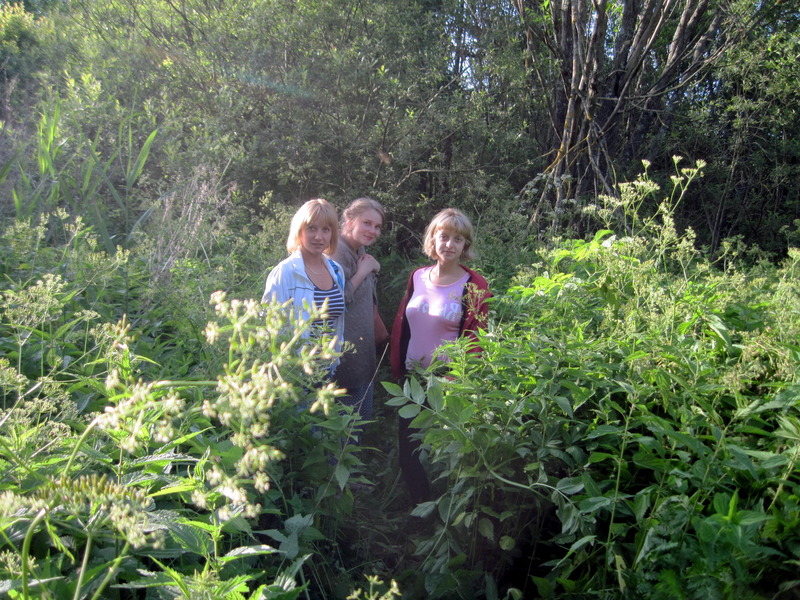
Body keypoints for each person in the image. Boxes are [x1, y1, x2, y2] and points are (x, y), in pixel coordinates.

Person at [389, 208, 491, 503]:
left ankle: (445, 511)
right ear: (432, 240)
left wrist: (458, 380)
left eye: (457, 239)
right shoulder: (418, 277)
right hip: (412, 380)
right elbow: (403, 326)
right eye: (443, 236)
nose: (449, 244)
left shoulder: (474, 285)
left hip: (447, 382)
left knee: (443, 455)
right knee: (408, 453)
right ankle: (420, 508)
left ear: (465, 246)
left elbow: (476, 338)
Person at [262, 198, 346, 378]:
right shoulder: (285, 272)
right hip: (294, 373)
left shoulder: (336, 271)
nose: (319, 236)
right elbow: (271, 326)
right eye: (312, 228)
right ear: (299, 231)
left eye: (326, 229)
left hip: (327, 369)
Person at [331, 197, 386, 421]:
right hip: (344, 359)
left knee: (361, 421)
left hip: (362, 354)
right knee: (344, 426)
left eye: (377, 226)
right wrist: (364, 270)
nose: (373, 230)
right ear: (349, 219)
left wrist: (373, 266)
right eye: (367, 223)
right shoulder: (336, 252)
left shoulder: (358, 247)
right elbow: (334, 300)